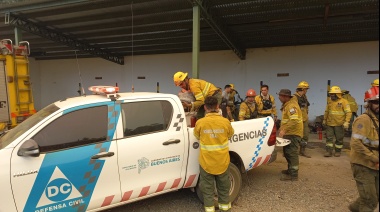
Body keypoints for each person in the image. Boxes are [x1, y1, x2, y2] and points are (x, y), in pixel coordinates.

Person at [193, 96, 235, 212]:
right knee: (224, 189)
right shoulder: (225, 122)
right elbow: (230, 134)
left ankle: (210, 209)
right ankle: (225, 209)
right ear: (217, 106)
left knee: (207, 190)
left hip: (206, 163)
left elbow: (196, 136)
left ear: (205, 107)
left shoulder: (200, 123)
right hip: (222, 162)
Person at [348, 86, 379, 212]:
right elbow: (356, 143)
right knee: (370, 201)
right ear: (369, 103)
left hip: (375, 164)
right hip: (363, 164)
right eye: (376, 102)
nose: (379, 105)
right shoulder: (363, 120)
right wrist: (373, 157)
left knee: (374, 195)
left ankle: (354, 208)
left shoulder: (377, 119)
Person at [277, 89, 303, 181]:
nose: (279, 97)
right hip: (289, 133)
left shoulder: (291, 106)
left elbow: (294, 120)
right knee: (287, 153)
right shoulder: (287, 105)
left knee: (292, 154)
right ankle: (290, 170)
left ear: (285, 97)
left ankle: (293, 175)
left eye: (280, 96)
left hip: (294, 133)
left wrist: (284, 129)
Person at [323, 86, 352, 157]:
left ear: (337, 94)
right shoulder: (330, 101)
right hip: (330, 123)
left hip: (339, 124)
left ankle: (337, 151)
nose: (331, 95)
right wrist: (324, 119)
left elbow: (348, 112)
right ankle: (329, 151)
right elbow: (327, 111)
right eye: (331, 94)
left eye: (333, 94)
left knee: (339, 139)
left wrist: (346, 122)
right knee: (329, 138)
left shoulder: (344, 102)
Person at [292, 81, 312, 158]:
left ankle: (302, 151)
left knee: (305, 135)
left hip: (304, 119)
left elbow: (306, 107)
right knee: (295, 136)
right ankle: (292, 151)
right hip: (298, 120)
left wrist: (306, 115)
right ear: (302, 89)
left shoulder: (304, 97)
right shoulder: (294, 97)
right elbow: (293, 109)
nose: (306, 91)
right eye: (306, 89)